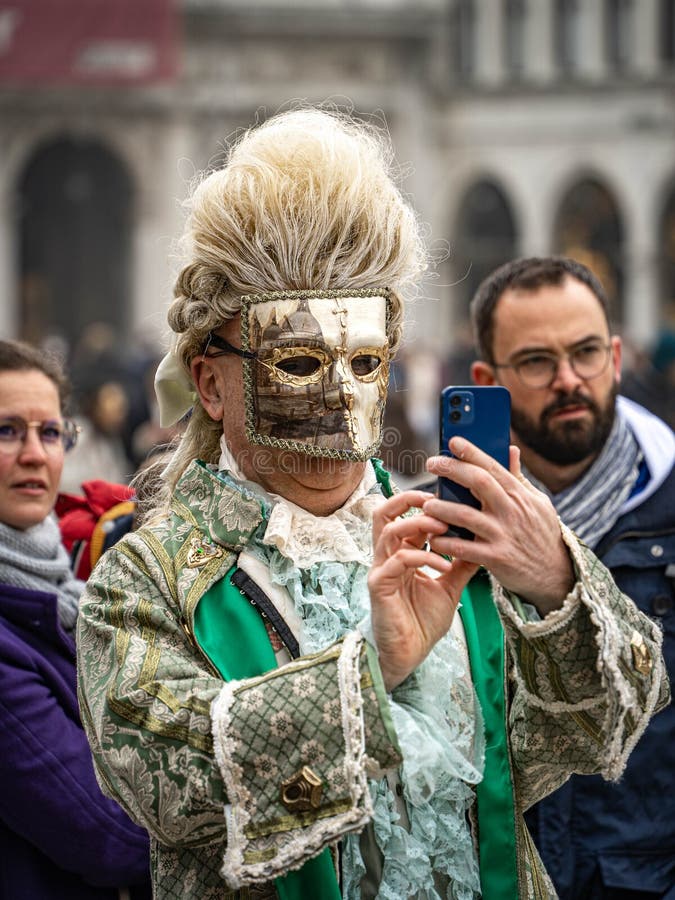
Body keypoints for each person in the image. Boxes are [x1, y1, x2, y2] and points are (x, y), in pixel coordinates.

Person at [76, 109, 668, 900]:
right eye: (294, 362)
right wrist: (373, 671)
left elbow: (606, 726)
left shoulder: (452, 541)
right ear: (211, 383)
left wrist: (556, 578)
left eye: (361, 361)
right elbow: (167, 786)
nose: (334, 400)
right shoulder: (144, 578)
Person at [469, 256, 675, 899]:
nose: (568, 380)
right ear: (486, 381)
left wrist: (559, 578)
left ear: (615, 357)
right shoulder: (453, 525)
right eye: (535, 361)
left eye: (585, 353)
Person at [0, 339, 152, 899]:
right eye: (7, 431)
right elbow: (111, 837)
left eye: (49, 432)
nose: (36, 454)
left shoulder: (68, 587)